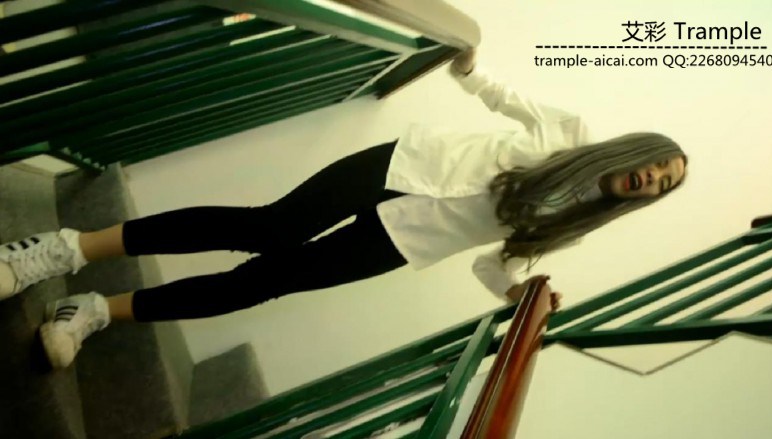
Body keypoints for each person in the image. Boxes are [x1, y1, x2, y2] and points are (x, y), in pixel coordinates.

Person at [0, 48, 687, 369]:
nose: (652, 180)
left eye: (662, 186)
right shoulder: (571, 134)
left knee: (260, 283)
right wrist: (468, 63)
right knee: (266, 229)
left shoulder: (572, 226)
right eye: (658, 167)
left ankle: (92, 311)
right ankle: (62, 249)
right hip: (402, 167)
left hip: (406, 240)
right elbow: (504, 98)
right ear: (640, 151)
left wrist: (517, 293)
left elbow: (492, 264)